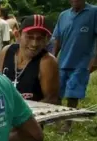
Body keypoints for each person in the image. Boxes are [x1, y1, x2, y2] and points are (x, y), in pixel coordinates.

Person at [52, 0, 97, 133]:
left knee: (73, 94)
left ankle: (68, 124)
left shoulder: (94, 12)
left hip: (82, 62)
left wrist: (94, 61)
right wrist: (52, 59)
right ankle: (56, 120)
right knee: (57, 93)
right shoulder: (63, 15)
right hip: (63, 61)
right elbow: (57, 38)